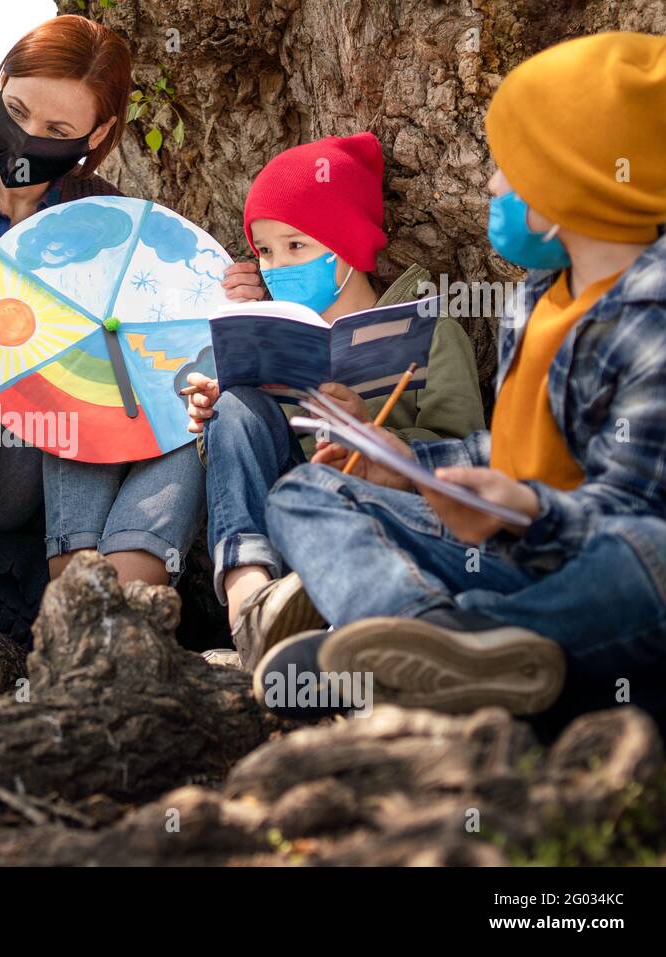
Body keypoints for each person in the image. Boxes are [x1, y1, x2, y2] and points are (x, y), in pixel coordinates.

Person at [257, 32, 666, 727]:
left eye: (510, 167)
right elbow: (507, 453)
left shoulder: (655, 315)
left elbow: (634, 510)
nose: (490, 185)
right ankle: (425, 635)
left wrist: (529, 508)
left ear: (577, 175)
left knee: (656, 555)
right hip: (507, 550)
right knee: (307, 490)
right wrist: (400, 469)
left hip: (590, 566)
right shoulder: (538, 297)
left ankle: (450, 648)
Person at [0, 13, 264, 632]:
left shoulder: (105, 212)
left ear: (98, 131)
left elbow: (155, 324)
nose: (26, 139)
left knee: (193, 413)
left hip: (80, 453)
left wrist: (234, 297)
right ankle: (77, 598)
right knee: (76, 405)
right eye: (17, 110)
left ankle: (114, 613)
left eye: (56, 129)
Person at [185, 133, 483, 666]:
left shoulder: (433, 331)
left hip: (383, 518)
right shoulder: (265, 333)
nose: (278, 266)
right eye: (266, 251)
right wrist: (216, 412)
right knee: (235, 406)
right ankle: (249, 608)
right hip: (280, 521)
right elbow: (246, 456)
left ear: (346, 244)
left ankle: (354, 631)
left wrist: (377, 437)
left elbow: (462, 453)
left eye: (297, 246)